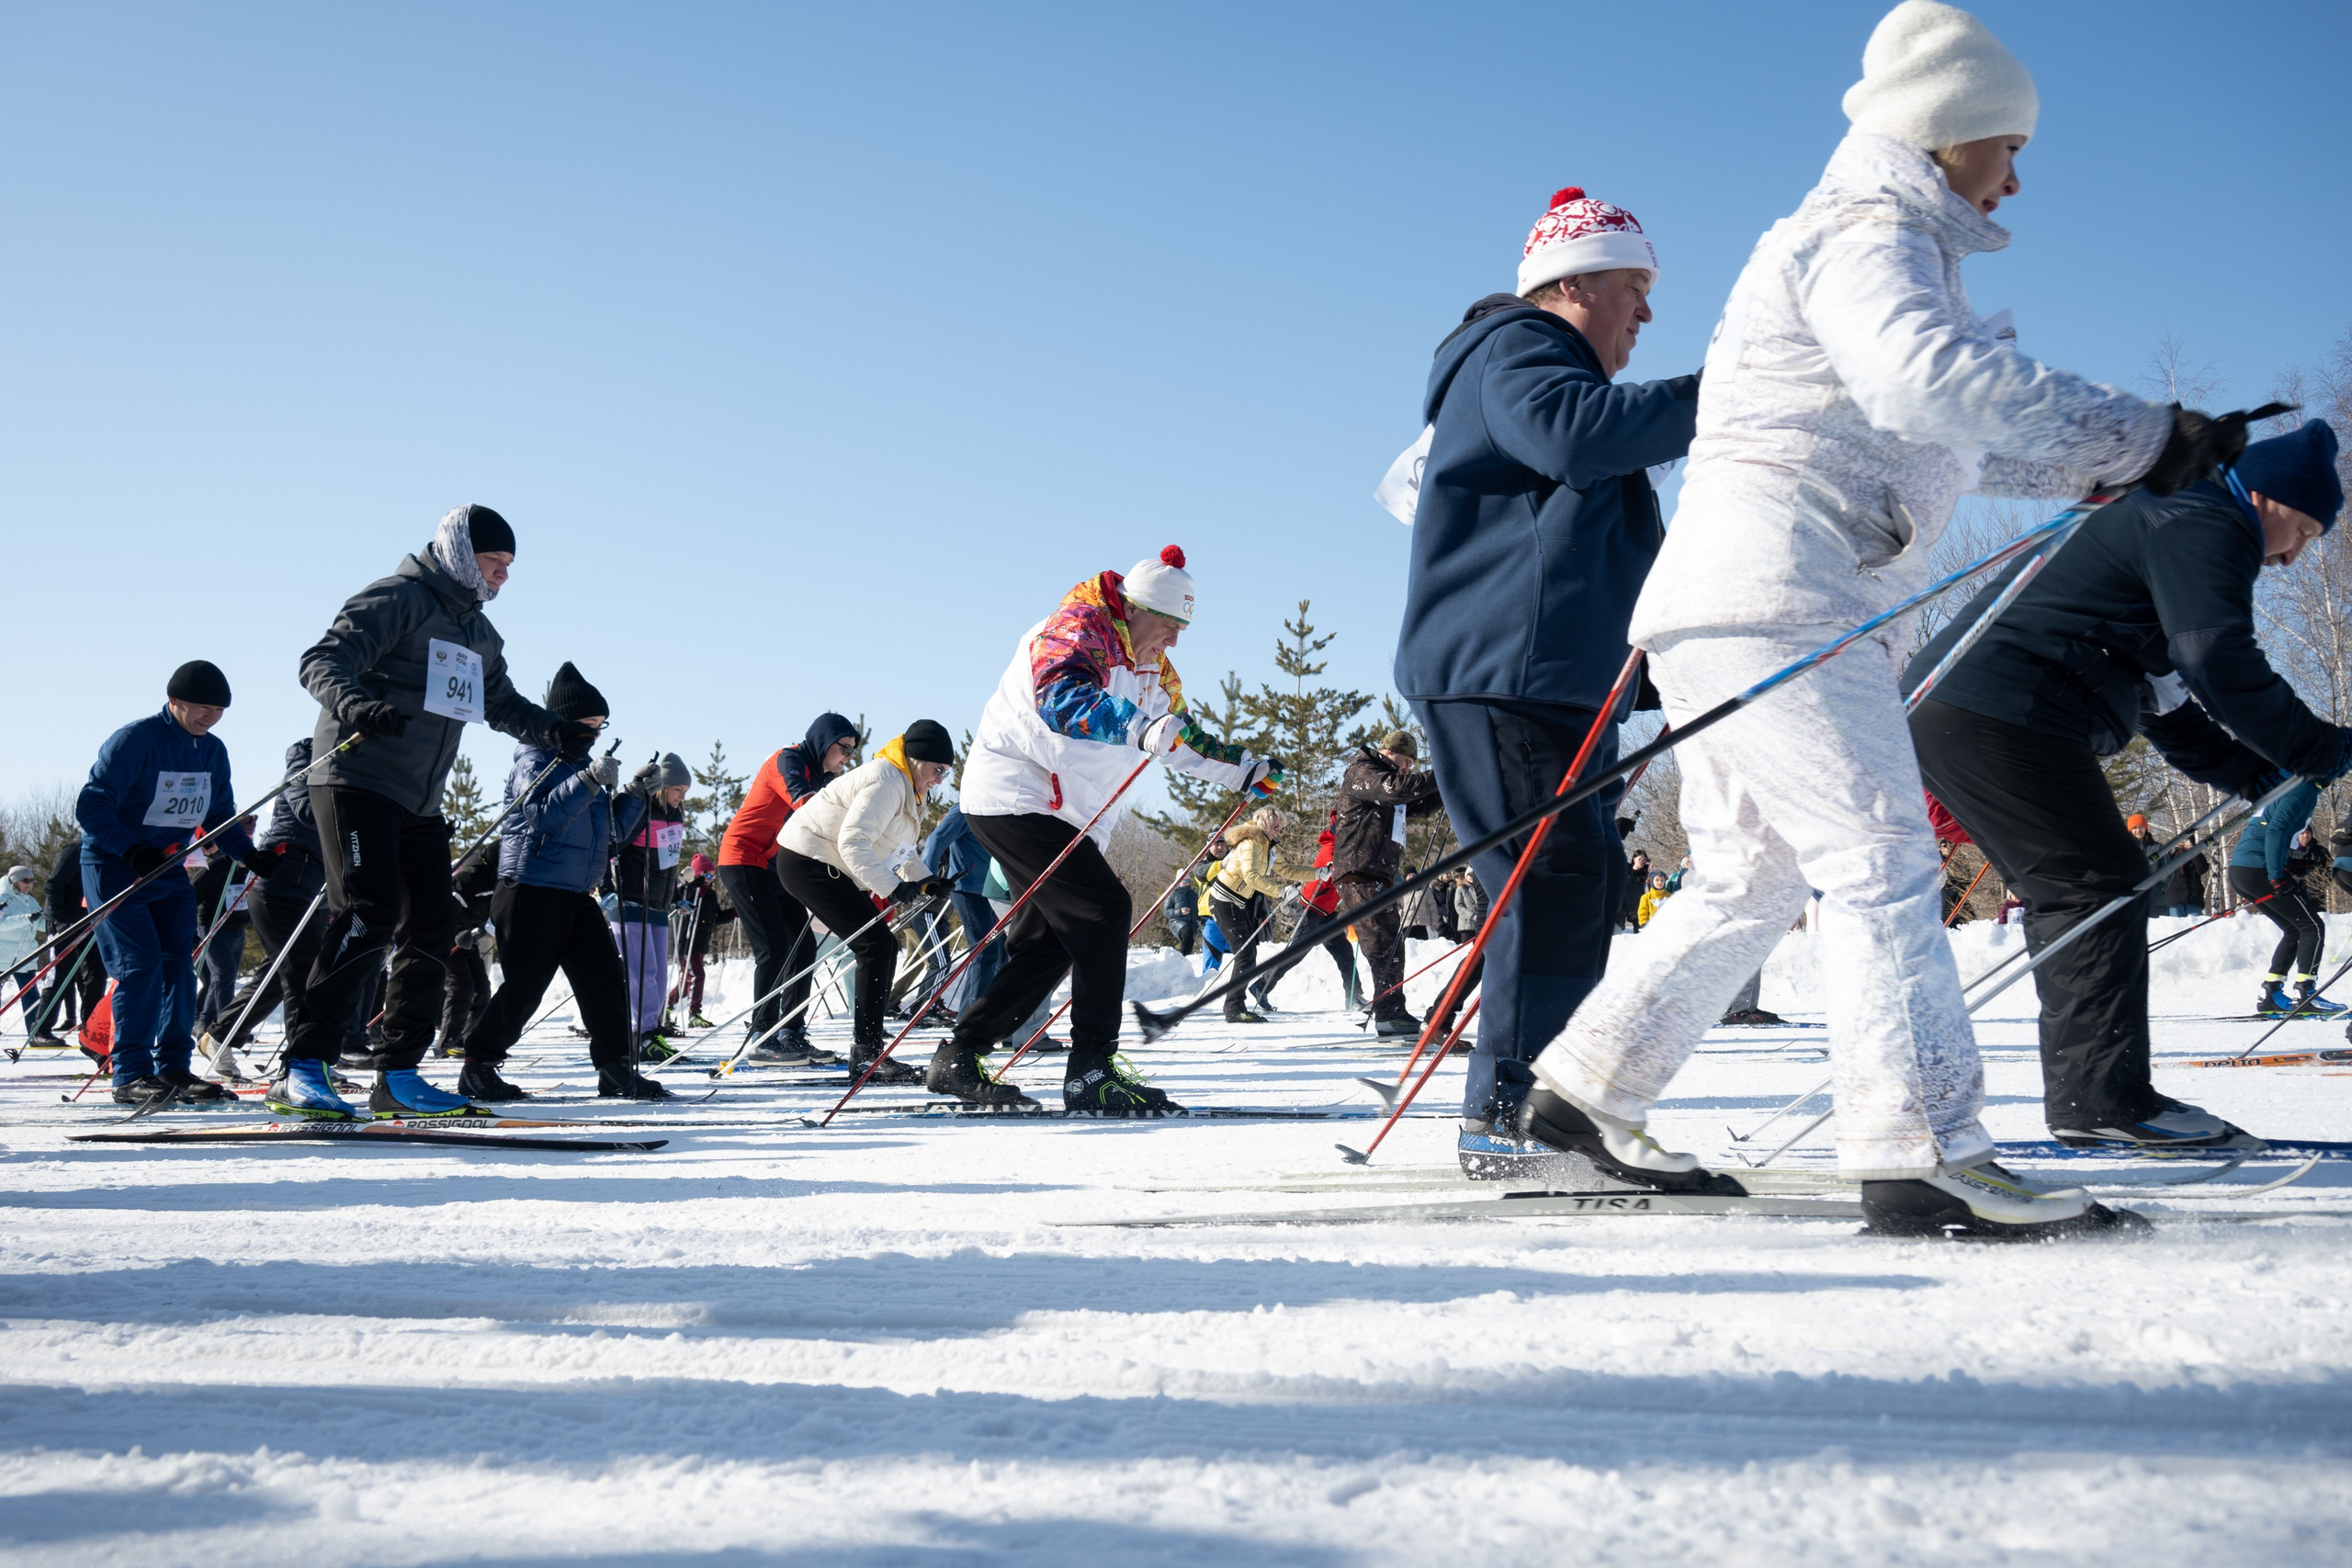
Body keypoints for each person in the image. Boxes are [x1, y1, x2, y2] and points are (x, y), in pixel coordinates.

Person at [1523, 3, 2181, 1235]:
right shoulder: (1868, 230)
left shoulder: (1864, 237)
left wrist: (2102, 464)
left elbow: (1929, 427)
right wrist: (2145, 432)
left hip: (1735, 596)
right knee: (1879, 857)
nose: (2018, 172)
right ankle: (1921, 1148)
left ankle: (1581, 1097)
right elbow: (1925, 380)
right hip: (1782, 591)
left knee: (1751, 873)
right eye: (2006, 142)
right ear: (1949, 132)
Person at [1912, 418, 2349, 1141]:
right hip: (1996, 707)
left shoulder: (2172, 530)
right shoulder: (2204, 518)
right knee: (2093, 883)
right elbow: (2219, 660)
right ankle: (2104, 1105)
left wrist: (2262, 771)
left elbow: (2174, 712)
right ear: (2270, 499)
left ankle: (2099, 1103)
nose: (2296, 556)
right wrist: (2316, 743)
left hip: (1974, 708)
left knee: (2091, 884)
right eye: (2304, 530)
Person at [1394, 175, 1701, 1157]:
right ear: (1575, 283)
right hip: (1501, 674)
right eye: (1634, 288)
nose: (1647, 312)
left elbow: (1581, 538)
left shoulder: (1539, 363)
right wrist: (1737, 388)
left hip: (1547, 674)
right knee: (1552, 879)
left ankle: (1536, 1103)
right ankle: (1512, 1114)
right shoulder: (1521, 349)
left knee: (1577, 876)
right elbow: (1579, 437)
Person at [278, 505, 589, 1120]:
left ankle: (397, 1073)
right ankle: (304, 1064)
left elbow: (500, 704)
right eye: (493, 562)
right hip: (354, 776)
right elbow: (321, 659)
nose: (502, 578)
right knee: (367, 913)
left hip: (419, 799)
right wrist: (357, 704)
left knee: (433, 928)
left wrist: (555, 731)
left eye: (508, 568)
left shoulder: (479, 633)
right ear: (458, 551)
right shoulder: (400, 597)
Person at [947, 547, 1279, 1111]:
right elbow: (1063, 698)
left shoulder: (1154, 669)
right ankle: (1091, 1069)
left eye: (1182, 629)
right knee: (1103, 909)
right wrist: (1137, 728)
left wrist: (1241, 768)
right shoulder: (1079, 626)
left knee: (1051, 941)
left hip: (1070, 812)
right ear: (1136, 608)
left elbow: (1179, 737)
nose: (1173, 641)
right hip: (1018, 792)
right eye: (1169, 625)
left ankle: (961, 1055)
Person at [457, 663, 669, 1101]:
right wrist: (588, 781)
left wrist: (633, 795)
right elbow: (544, 816)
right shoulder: (534, 759)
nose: (594, 733)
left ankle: (615, 1068)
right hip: (530, 888)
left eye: (599, 725)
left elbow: (608, 837)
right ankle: (478, 1063)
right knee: (524, 987)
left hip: (575, 893)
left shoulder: (582, 765)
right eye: (587, 725)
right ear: (563, 723)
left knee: (605, 980)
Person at [75, 660, 273, 1104]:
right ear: (175, 701)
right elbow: (91, 806)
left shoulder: (213, 750)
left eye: (219, 709)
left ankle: (174, 1069)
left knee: (180, 968)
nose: (211, 716)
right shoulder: (136, 740)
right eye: (202, 707)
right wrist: (130, 849)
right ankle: (130, 1074)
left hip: (168, 870)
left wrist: (250, 855)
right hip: (115, 865)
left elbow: (219, 814)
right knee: (140, 964)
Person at [775, 722, 957, 1083]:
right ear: (917, 760)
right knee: (876, 945)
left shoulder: (907, 788)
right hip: (809, 859)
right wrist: (895, 889)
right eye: (938, 770)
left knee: (879, 946)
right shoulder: (887, 781)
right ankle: (868, 1054)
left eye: (947, 773)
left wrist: (926, 882)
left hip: (826, 862)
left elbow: (899, 850)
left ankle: (868, 1050)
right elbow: (854, 842)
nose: (940, 779)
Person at [717, 714, 860, 1065]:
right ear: (825, 741)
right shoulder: (789, 760)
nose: (848, 758)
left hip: (774, 865)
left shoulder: (825, 776)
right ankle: (762, 1034)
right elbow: (805, 806)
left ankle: (789, 1031)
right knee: (773, 947)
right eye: (844, 749)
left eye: (853, 753)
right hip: (743, 857)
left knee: (802, 944)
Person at [1332, 731, 1445, 1035]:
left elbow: (1415, 805)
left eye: (1411, 763)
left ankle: (1392, 1011)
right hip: (1359, 871)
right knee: (1382, 942)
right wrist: (1443, 770)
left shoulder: (1389, 782)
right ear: (1388, 751)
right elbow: (1395, 791)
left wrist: (1447, 786)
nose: (1407, 767)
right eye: (1405, 760)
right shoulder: (1364, 771)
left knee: (1390, 942)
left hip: (1376, 873)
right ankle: (1388, 1013)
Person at [2230, 781, 2335, 1020]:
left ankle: (2271, 994)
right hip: (2257, 868)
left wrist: (2289, 866)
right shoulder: (2302, 789)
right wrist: (2277, 875)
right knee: (2313, 927)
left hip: (2243, 869)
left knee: (2294, 929)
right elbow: (2276, 830)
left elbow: (2274, 830)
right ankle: (2306, 994)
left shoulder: (2288, 786)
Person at [611, 753, 692, 1056]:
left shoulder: (676, 815)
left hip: (658, 903)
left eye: (685, 792)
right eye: (677, 790)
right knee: (640, 971)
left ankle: (651, 1028)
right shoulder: (641, 810)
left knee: (657, 973)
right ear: (662, 787)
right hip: (630, 899)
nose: (682, 797)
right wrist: (607, 887)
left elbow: (668, 863)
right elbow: (611, 847)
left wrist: (676, 895)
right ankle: (639, 1032)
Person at [1208, 809, 1300, 1023]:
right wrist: (1281, 891)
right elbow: (1250, 876)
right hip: (1223, 900)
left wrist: (1318, 873)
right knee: (1245, 954)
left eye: (1280, 827)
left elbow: (1286, 869)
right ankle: (1233, 1008)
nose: (1279, 831)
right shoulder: (1250, 843)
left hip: (1236, 902)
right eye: (1276, 826)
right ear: (1265, 824)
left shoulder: (1266, 844)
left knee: (1248, 953)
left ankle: (1235, 1006)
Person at [924, 804, 1005, 1008]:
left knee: (1001, 952)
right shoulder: (966, 807)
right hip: (969, 887)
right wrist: (926, 879)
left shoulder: (998, 807)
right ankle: (970, 1021)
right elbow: (937, 839)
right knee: (985, 951)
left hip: (995, 889)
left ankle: (996, 1017)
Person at [34, 836, 104, 1043]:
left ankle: (91, 1025)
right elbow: (53, 884)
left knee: (97, 971)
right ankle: (41, 1029)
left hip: (90, 919)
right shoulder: (77, 848)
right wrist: (60, 918)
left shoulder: (109, 847)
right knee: (60, 973)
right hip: (63, 920)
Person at [667, 854, 734, 1027]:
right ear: (699, 874)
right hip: (686, 942)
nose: (711, 880)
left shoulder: (710, 894)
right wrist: (694, 887)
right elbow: (679, 903)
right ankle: (694, 1012)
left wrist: (735, 912)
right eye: (709, 876)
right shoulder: (688, 890)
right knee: (697, 975)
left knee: (687, 980)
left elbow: (716, 918)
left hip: (700, 943)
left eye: (713, 876)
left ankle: (666, 1006)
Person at [1, 866, 45, 1036]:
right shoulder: (3, 897)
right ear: (14, 880)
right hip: (3, 956)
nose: (29, 885)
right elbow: (1, 924)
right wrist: (26, 919)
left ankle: (35, 1033)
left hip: (23, 956)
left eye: (31, 881)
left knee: (31, 995)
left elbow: (39, 922)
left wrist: (53, 924)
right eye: (25, 880)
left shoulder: (30, 901)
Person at [1162, 872, 1202, 957]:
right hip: (1177, 921)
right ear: (1179, 881)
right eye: (1184, 881)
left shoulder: (1193, 894)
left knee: (1190, 939)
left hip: (1192, 922)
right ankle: (1183, 957)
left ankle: (1185, 958)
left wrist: (1201, 918)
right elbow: (1166, 911)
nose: (1186, 883)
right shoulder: (1172, 894)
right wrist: (1180, 912)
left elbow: (1198, 910)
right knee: (1187, 932)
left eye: (1188, 880)